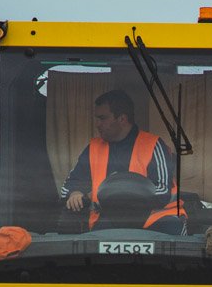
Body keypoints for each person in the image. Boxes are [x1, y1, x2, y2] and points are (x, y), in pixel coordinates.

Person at [59, 89, 185, 234]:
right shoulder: (93, 148)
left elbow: (163, 191)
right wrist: (75, 193)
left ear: (122, 119)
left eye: (102, 118)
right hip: (109, 220)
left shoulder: (153, 145)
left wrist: (120, 197)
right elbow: (67, 187)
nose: (97, 124)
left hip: (156, 219)